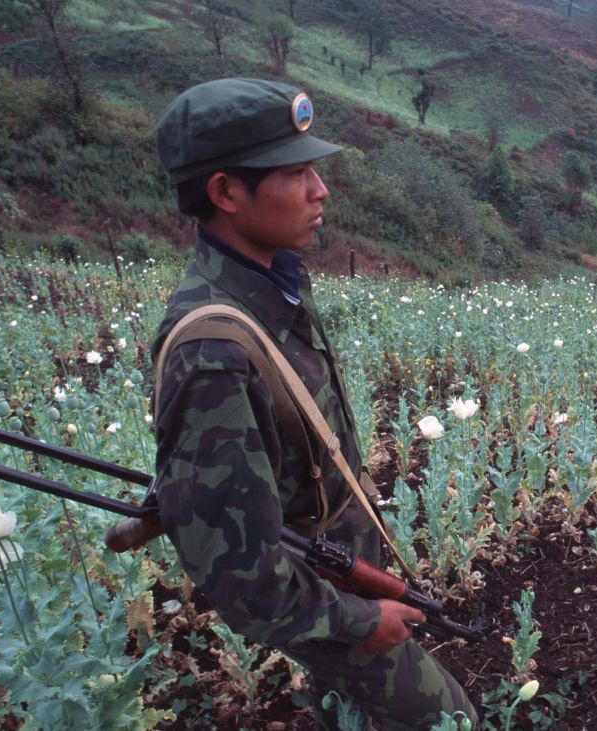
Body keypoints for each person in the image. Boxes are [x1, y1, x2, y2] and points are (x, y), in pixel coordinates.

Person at [151, 77, 477, 730]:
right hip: (326, 603)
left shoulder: (269, 286)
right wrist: (358, 624)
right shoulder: (215, 349)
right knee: (453, 720)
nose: (320, 189)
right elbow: (240, 574)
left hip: (338, 571)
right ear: (225, 192)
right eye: (296, 172)